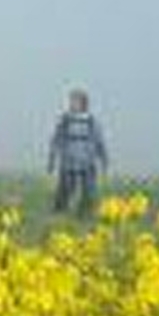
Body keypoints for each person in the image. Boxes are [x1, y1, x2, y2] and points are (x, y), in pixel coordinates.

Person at [47, 88, 109, 218]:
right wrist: (51, 160)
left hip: (87, 162)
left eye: (75, 101)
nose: (72, 104)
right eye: (71, 101)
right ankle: (60, 213)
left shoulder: (91, 121)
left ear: (83, 103)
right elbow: (56, 140)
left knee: (89, 191)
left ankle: (84, 215)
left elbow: (99, 141)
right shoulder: (65, 120)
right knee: (64, 190)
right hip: (68, 162)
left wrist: (104, 160)